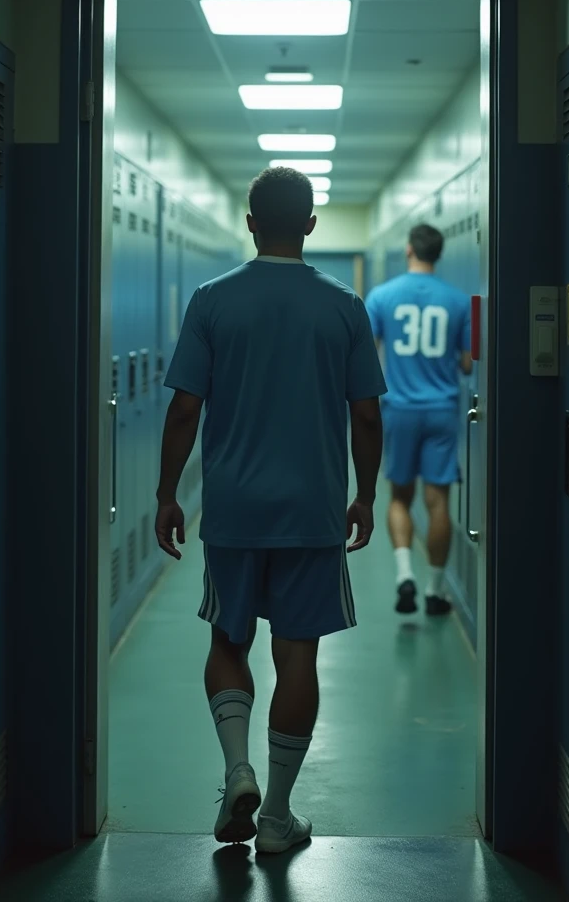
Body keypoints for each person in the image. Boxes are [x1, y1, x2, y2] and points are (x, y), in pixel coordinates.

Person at [154, 167, 386, 854]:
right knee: (298, 658)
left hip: (233, 510)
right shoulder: (344, 305)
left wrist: (168, 492)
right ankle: (278, 818)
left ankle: (237, 774)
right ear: (310, 226)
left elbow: (185, 407)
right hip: (311, 511)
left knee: (228, 643)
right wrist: (365, 494)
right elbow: (367, 415)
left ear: (250, 224)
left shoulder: (211, 300)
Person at [365, 223, 472, 618]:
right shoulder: (459, 301)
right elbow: (465, 363)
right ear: (439, 254)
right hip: (442, 410)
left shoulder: (382, 296)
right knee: (438, 500)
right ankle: (435, 588)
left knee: (399, 498)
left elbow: (367, 354)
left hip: (400, 410)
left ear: (409, 250)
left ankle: (404, 575)